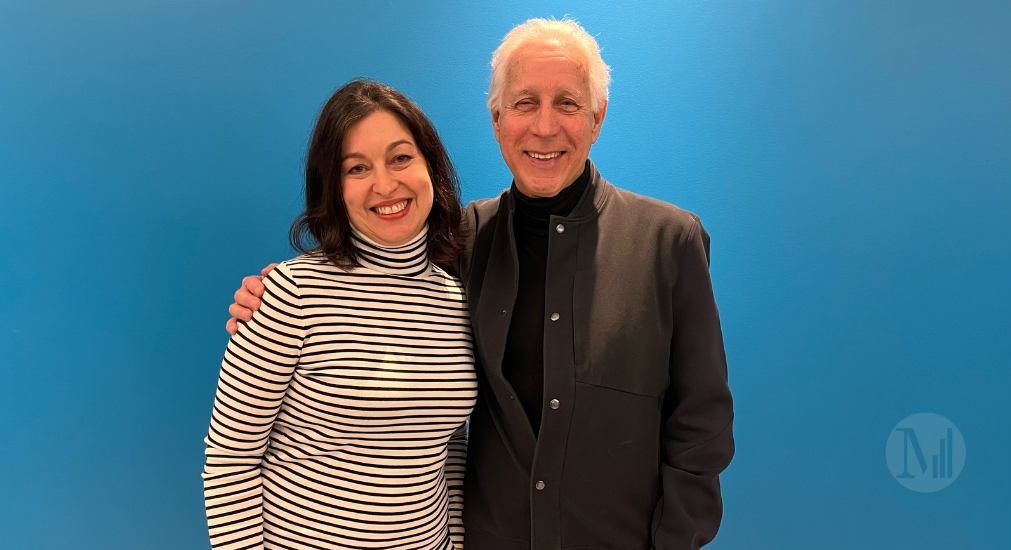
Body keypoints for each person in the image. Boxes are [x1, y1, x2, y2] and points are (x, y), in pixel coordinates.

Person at [228, 18, 734, 550]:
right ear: (496, 120)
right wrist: (268, 295)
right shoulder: (461, 244)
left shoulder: (669, 241)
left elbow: (701, 420)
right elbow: (373, 273)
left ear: (597, 118)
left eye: (566, 102)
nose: (544, 127)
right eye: (523, 103)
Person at [203, 80, 477, 550]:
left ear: (431, 165)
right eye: (357, 168)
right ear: (334, 187)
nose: (385, 184)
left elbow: (447, 447)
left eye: (400, 157)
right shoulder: (291, 293)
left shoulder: (455, 296)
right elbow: (230, 459)